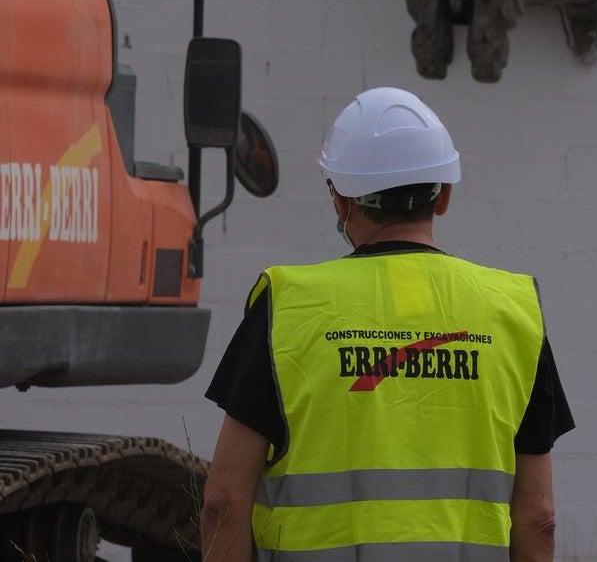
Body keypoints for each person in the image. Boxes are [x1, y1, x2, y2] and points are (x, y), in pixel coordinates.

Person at [202, 87, 574, 562]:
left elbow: (223, 503)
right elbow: (539, 518)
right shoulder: (513, 310)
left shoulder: (287, 307)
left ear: (340, 201)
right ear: (444, 197)